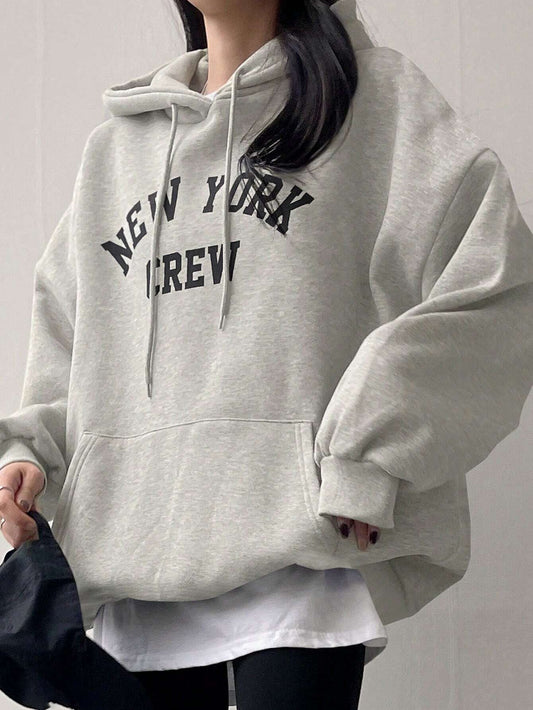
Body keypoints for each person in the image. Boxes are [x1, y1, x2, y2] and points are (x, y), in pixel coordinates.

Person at [1, 0, 532, 707]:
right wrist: (31, 451)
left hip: (298, 558)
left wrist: (369, 453)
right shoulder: (118, 149)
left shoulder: (368, 99)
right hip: (139, 555)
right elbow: (71, 330)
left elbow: (493, 283)